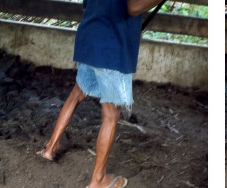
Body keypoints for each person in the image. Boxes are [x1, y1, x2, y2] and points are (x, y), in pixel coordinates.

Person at [36, 0, 164, 187]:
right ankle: (98, 179)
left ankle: (50, 147)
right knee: (111, 114)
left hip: (89, 37)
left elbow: (88, 5)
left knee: (77, 93)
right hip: (112, 48)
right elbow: (134, 7)